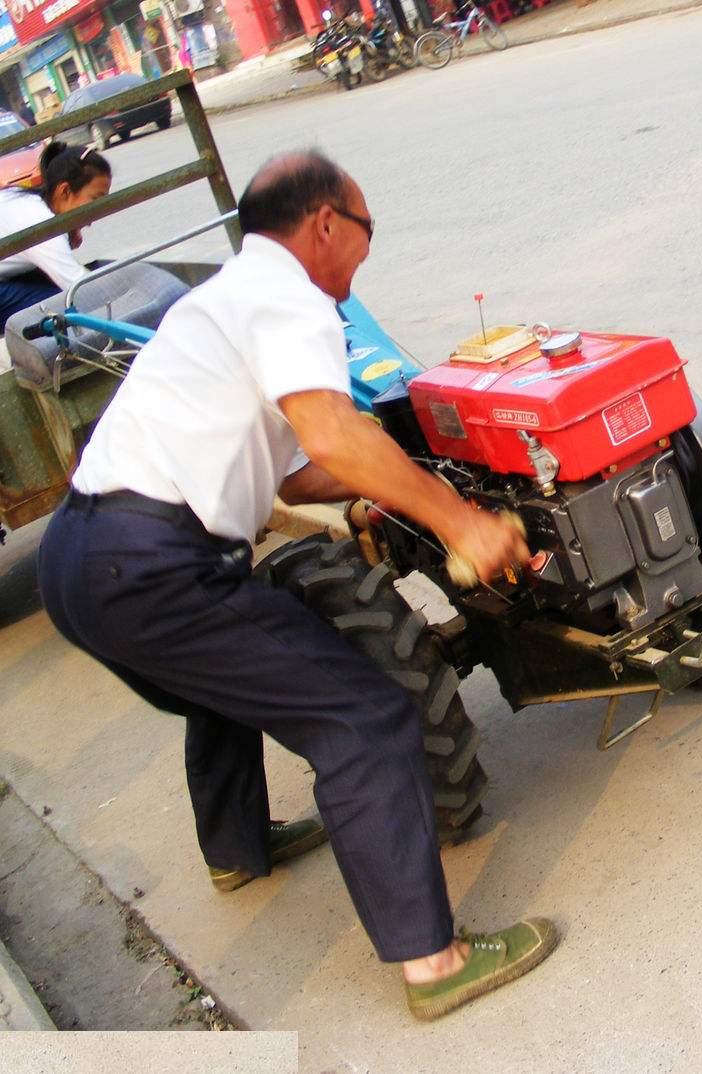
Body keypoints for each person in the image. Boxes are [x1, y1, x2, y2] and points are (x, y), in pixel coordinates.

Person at [36, 150, 556, 1022]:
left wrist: (396, 486)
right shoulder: (292, 299)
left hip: (83, 561)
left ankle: (237, 847)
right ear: (324, 224)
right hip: (153, 567)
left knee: (227, 677)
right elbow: (335, 436)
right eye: (365, 232)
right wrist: (457, 521)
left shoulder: (222, 301)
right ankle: (435, 963)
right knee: (364, 717)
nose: (363, 254)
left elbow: (297, 474)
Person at [0, 142, 112, 328]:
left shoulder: (33, 201)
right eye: (94, 200)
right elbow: (77, 286)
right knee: (59, 306)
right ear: (65, 191)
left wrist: (70, 227)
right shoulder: (39, 222)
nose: (98, 211)